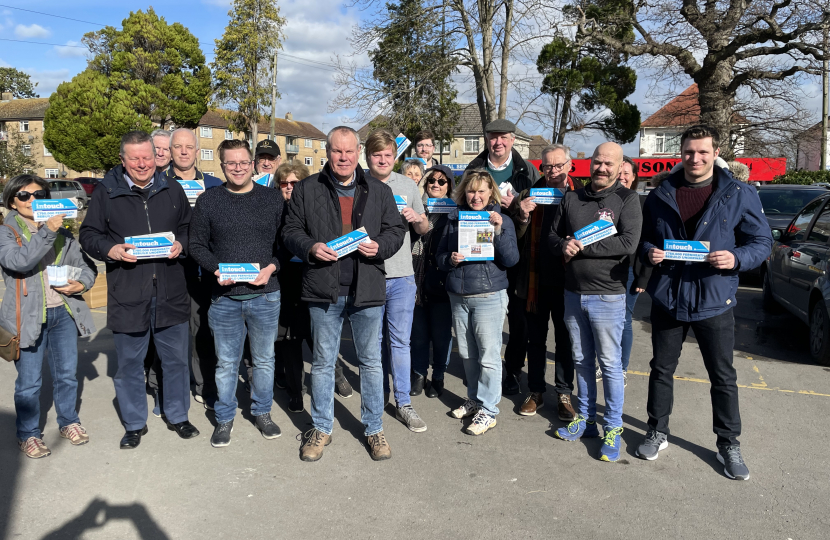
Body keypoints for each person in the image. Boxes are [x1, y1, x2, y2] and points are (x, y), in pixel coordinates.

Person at [637, 125, 772, 480]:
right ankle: (657, 429)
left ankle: (728, 442)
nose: (694, 159)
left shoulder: (739, 193)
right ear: (680, 153)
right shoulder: (660, 193)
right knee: (661, 369)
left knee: (722, 376)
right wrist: (650, 251)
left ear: (715, 153)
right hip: (669, 297)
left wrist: (736, 258)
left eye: (702, 152)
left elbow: (761, 242)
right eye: (688, 152)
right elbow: (645, 238)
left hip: (715, 298)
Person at [282, 126, 406, 462]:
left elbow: (397, 229)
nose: (343, 157)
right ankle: (321, 427)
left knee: (370, 363)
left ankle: (374, 428)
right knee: (322, 363)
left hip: (366, 288)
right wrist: (310, 247)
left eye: (349, 151)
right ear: (328, 151)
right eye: (337, 151)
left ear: (358, 153)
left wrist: (381, 246)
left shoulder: (378, 191)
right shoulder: (308, 189)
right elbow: (289, 231)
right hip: (325, 289)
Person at [80, 130, 196, 450]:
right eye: (135, 159)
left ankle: (177, 415)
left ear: (157, 157)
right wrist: (111, 249)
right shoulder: (106, 191)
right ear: (123, 160)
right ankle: (134, 423)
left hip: (171, 289)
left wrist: (181, 244)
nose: (143, 164)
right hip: (128, 291)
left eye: (147, 157)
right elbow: (88, 235)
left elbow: (189, 226)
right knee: (130, 363)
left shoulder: (172, 188)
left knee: (174, 361)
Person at [549, 142, 642, 463]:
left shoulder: (627, 199)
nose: (602, 168)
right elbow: (552, 235)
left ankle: (613, 427)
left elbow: (629, 242)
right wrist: (562, 244)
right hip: (573, 293)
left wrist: (582, 248)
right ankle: (586, 420)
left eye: (609, 164)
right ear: (589, 163)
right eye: (598, 162)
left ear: (619, 167)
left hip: (608, 295)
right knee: (581, 360)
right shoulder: (572, 197)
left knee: (610, 365)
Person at [189, 139, 284, 447]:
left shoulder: (272, 199)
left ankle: (262, 412)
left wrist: (271, 268)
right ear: (222, 166)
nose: (238, 168)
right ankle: (224, 418)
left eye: (243, 162)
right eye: (231, 163)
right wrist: (216, 268)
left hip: (266, 295)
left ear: (253, 163)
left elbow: (285, 243)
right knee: (227, 362)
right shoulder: (209, 200)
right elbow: (196, 245)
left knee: (264, 360)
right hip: (225, 298)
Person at [0, 174, 97, 459]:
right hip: (28, 316)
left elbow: (86, 267)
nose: (32, 201)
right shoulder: (7, 232)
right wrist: (47, 232)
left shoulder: (63, 234)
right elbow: (18, 262)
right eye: (24, 196)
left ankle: (68, 421)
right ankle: (28, 433)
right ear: (12, 201)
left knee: (67, 375)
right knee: (29, 382)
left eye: (39, 196)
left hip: (63, 313)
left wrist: (82, 283)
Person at [436, 169, 519, 435]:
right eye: (471, 190)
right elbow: (438, 257)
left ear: (490, 193)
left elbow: (511, 259)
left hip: (488, 296)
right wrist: (450, 259)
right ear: (464, 193)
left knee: (489, 356)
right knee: (468, 354)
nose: (476, 196)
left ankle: (489, 410)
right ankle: (474, 398)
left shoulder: (502, 219)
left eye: (481, 191)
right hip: (458, 295)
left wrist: (497, 231)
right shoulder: (452, 219)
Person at [464, 119, 540, 396]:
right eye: (493, 137)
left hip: (517, 250)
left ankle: (512, 371)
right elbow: (462, 202)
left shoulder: (527, 170)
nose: (498, 142)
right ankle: (482, 369)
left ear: (512, 140)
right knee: (481, 319)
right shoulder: (474, 169)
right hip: (481, 252)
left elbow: (538, 212)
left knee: (517, 319)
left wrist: (518, 208)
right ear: (486, 139)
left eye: (504, 138)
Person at [504, 145, 577, 420]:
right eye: (548, 166)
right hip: (533, 280)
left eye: (559, 166)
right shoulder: (529, 193)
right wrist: (521, 214)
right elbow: (514, 238)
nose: (553, 171)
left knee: (564, 341)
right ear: (541, 167)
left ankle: (563, 392)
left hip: (566, 280)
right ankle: (535, 391)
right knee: (535, 340)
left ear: (569, 165)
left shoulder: (579, 194)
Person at [364, 129, 429, 433]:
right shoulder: (358, 183)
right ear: (368, 157)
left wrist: (417, 218)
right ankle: (378, 401)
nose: (382, 160)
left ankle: (404, 403)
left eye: (388, 155)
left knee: (400, 342)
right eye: (377, 155)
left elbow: (425, 226)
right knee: (373, 345)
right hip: (369, 274)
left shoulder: (407, 184)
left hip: (402, 275)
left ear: (395, 156)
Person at [164, 128, 224, 409]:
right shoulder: (159, 183)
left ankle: (209, 383)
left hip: (210, 269)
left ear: (198, 152)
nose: (184, 152)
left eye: (190, 147)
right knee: (180, 332)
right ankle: (177, 386)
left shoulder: (214, 184)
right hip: (173, 269)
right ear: (170, 151)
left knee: (209, 330)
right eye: (178, 147)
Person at [595, 155, 643, 386]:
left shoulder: (638, 202)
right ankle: (603, 364)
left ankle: (621, 367)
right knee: (602, 319)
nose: (622, 177)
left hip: (631, 269)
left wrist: (644, 275)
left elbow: (645, 243)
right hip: (604, 269)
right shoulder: (602, 200)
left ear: (634, 178)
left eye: (627, 174)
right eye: (619, 172)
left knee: (624, 319)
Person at [410, 164, 455, 398]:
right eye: (431, 181)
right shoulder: (415, 207)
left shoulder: (455, 212)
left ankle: (438, 376)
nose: (435, 185)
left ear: (449, 185)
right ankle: (419, 373)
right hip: (416, 274)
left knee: (441, 333)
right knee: (417, 332)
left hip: (441, 275)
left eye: (441, 181)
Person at [273, 162, 313, 413]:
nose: (288, 188)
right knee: (288, 341)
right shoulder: (274, 211)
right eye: (284, 184)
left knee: (317, 338)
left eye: (294, 183)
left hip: (310, 280)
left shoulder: (312, 209)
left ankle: (336, 375)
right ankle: (295, 391)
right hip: (283, 282)